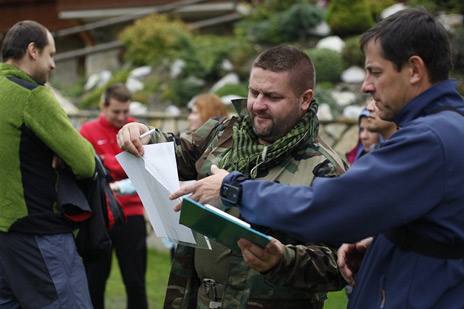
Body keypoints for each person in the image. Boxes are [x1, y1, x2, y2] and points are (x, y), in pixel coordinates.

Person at [213, 8, 464, 308]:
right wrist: (385, 242)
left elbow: (330, 206)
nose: (365, 85)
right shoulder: (450, 127)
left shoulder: (429, 140)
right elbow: (442, 227)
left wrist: (237, 189)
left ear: (414, 70)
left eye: (375, 71)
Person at [118, 45, 346, 308]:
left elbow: (338, 262)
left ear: (305, 99)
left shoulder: (326, 168)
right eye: (253, 92)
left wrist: (282, 259)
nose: (258, 105)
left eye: (272, 96)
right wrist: (141, 134)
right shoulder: (224, 132)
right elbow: (174, 151)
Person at [0, 20, 95, 308]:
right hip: (38, 233)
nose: (53, 64)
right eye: (50, 54)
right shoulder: (33, 95)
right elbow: (85, 162)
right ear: (32, 51)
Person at [80, 83, 148, 309]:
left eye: (126, 112)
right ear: (104, 106)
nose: (122, 117)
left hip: (132, 214)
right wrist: (121, 163)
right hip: (100, 216)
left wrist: (105, 162)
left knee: (136, 282)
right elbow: (87, 168)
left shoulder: (135, 129)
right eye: (116, 111)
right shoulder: (87, 131)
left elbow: (143, 168)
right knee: (95, 280)